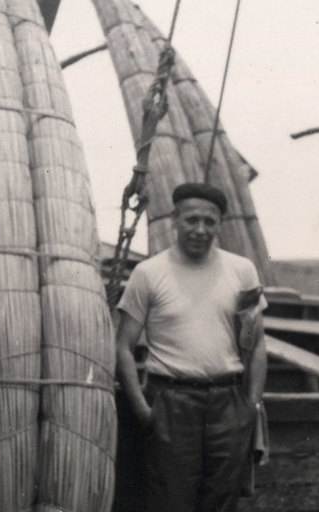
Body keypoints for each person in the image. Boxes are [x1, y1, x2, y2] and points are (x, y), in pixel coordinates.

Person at [115, 183, 268, 512]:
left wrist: (250, 407)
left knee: (222, 500)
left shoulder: (243, 271)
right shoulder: (148, 273)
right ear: (175, 219)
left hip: (229, 403)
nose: (200, 229)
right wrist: (143, 410)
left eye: (209, 222)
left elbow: (256, 345)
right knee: (170, 501)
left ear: (220, 223)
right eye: (191, 220)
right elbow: (124, 347)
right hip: (171, 401)